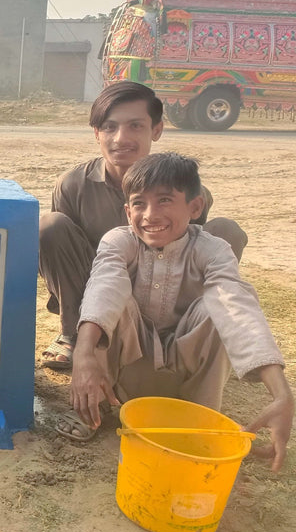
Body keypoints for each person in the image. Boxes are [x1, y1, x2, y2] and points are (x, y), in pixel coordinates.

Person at [60, 152, 293, 471]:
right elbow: (105, 285)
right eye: (139, 203)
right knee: (116, 301)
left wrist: (282, 394)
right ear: (128, 211)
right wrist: (83, 354)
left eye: (165, 200)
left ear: (194, 207)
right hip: (126, 374)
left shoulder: (213, 250)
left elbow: (235, 307)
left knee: (218, 307)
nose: (150, 215)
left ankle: (199, 422)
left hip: (186, 378)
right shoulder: (118, 241)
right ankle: (92, 407)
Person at [38, 80, 247, 370]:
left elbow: (190, 252)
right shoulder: (72, 185)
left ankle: (182, 338)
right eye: (110, 127)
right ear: (97, 133)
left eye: (135, 126)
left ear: (157, 130)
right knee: (49, 226)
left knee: (227, 232)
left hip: (164, 287)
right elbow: (59, 259)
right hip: (98, 293)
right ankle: (74, 335)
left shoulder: (189, 192)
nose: (121, 138)